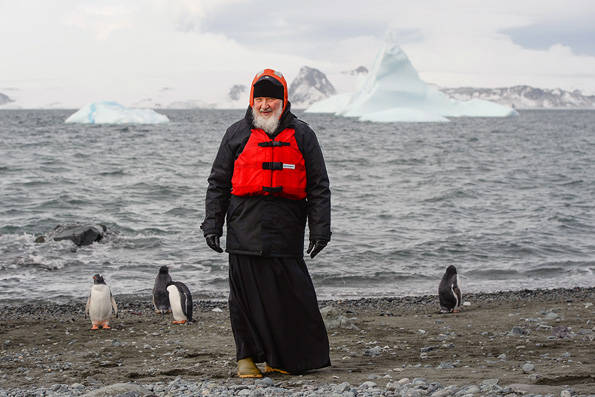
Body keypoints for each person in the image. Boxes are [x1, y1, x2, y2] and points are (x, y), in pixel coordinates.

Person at [201, 68, 332, 378]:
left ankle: (281, 358)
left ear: (283, 101)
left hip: (286, 229)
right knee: (244, 298)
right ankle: (246, 359)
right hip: (244, 228)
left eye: (271, 99)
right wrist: (212, 225)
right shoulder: (236, 133)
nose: (264, 105)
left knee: (291, 296)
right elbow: (218, 183)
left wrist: (320, 229)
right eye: (259, 98)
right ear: (251, 100)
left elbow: (318, 186)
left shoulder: (303, 135)